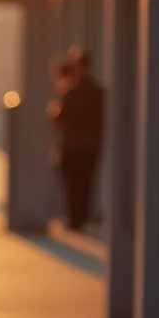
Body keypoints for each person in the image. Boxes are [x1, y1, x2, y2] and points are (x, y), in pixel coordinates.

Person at [48, 46, 105, 231]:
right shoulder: (98, 91)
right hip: (91, 144)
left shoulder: (70, 90)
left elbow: (59, 117)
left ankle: (75, 218)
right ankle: (82, 216)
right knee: (86, 181)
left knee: (72, 181)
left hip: (72, 144)